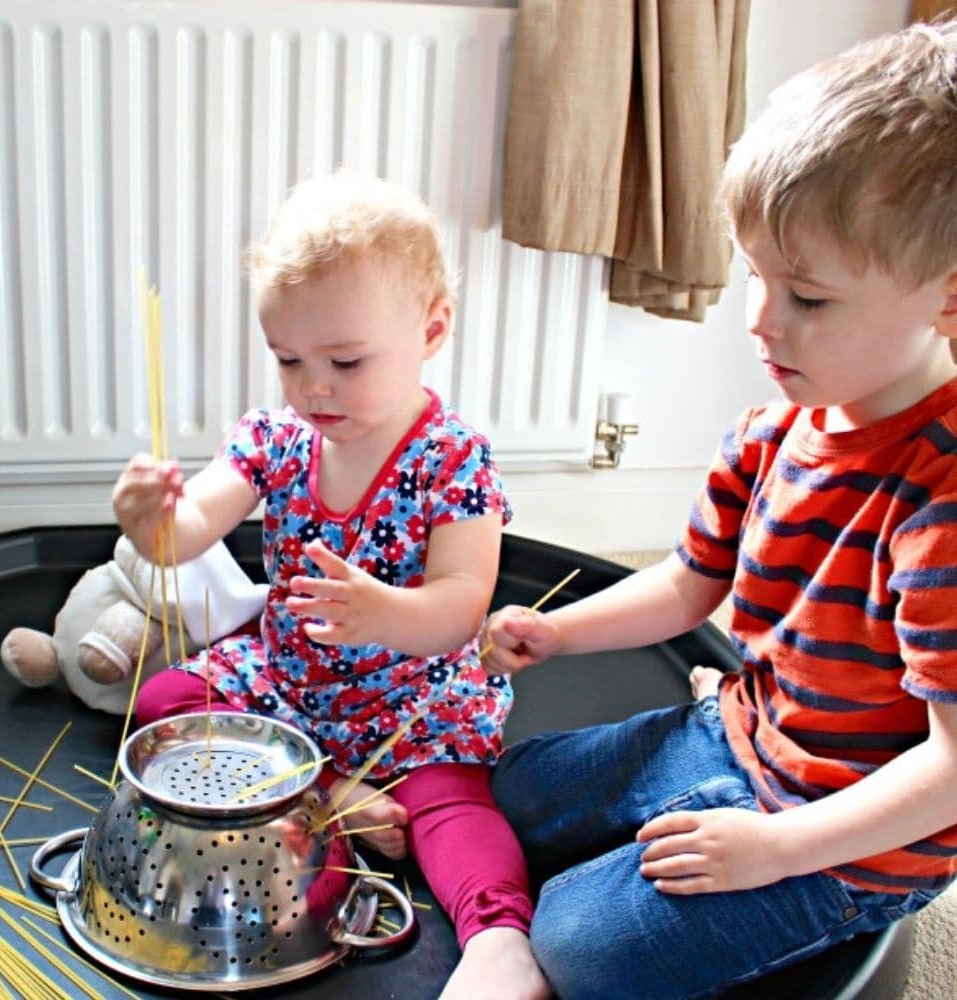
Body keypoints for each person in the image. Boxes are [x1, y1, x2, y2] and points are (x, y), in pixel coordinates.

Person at [482, 19, 957, 999]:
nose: (760, 320)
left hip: (849, 833)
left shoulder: (939, 503)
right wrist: (553, 632)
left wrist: (776, 849)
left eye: (808, 297)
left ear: (945, 299)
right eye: (755, 275)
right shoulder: (771, 429)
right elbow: (689, 584)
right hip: (736, 730)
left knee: (574, 942)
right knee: (508, 792)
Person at [113, 170, 548, 1000]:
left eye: (345, 361)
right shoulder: (277, 435)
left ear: (432, 329)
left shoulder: (452, 459)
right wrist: (148, 519)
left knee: (452, 809)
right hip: (287, 686)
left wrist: (383, 611)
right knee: (165, 702)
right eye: (288, 360)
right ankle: (329, 794)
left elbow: (461, 607)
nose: (313, 386)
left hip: (412, 701)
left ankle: (498, 938)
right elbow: (190, 529)